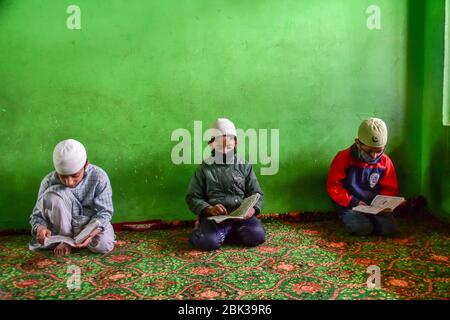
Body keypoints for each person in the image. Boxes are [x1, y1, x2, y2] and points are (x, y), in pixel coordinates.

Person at [186, 118, 266, 250]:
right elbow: (192, 197)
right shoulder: (204, 168)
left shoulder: (244, 166)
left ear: (235, 143)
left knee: (257, 236)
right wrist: (209, 209)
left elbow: (257, 193)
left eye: (228, 146)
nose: (224, 151)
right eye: (219, 146)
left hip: (240, 218)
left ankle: (226, 233)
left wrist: (252, 209)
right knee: (207, 242)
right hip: (215, 218)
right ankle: (209, 230)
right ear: (211, 144)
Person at [29, 139, 115, 256]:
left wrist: (90, 234)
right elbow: (37, 216)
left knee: (103, 245)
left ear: (86, 164)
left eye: (75, 175)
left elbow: (105, 212)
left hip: (88, 225)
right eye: (63, 176)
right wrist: (40, 228)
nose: (69, 182)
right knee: (51, 195)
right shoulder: (48, 181)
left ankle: (73, 241)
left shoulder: (99, 177)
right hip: (60, 228)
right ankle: (64, 240)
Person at [326, 118, 399, 236]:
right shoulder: (343, 158)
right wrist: (353, 202)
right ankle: (357, 220)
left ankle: (373, 221)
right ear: (358, 143)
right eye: (369, 151)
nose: (374, 156)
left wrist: (385, 204)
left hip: (375, 206)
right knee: (362, 229)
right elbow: (334, 187)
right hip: (350, 204)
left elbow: (390, 188)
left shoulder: (385, 161)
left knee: (389, 230)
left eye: (379, 151)